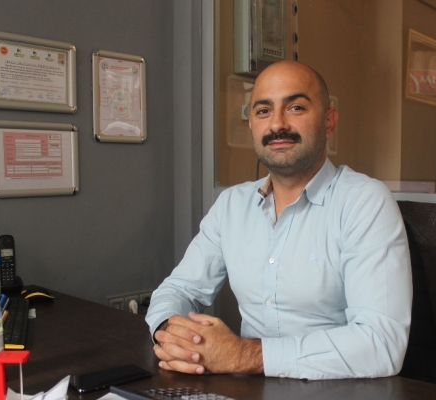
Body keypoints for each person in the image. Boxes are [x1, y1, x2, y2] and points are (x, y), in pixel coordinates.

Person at [146, 60, 412, 380]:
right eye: (263, 111)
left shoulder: (364, 202)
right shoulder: (232, 205)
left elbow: (381, 344)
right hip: (249, 390)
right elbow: (178, 289)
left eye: (296, 107)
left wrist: (242, 355)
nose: (277, 124)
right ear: (251, 124)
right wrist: (171, 335)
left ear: (329, 121)